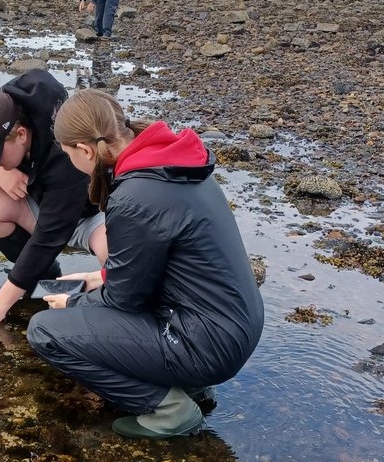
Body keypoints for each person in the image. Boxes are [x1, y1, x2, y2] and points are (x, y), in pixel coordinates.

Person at [27, 89, 264, 439]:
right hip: (235, 326)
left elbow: (125, 300)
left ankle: (169, 408)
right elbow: (164, 263)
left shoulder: (134, 196)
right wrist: (100, 277)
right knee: (94, 301)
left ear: (85, 151)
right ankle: (192, 387)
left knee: (45, 331)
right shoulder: (173, 165)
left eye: (67, 154)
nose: (69, 161)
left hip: (206, 345)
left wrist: (73, 303)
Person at [0, 69, 108, 326]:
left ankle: (100, 302)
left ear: (21, 135)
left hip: (91, 215)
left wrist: (1, 302)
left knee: (116, 253)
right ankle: (44, 278)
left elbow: (49, 237)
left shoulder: (64, 147)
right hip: (40, 205)